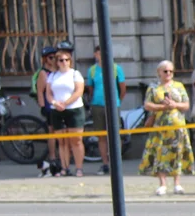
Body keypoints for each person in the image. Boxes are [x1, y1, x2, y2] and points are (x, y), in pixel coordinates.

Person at [139, 60, 193, 195]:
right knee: (160, 154)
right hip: (160, 127)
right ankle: (162, 184)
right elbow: (147, 105)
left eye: (170, 71)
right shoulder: (153, 88)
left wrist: (175, 105)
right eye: (165, 71)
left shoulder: (179, 86)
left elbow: (186, 105)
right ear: (159, 73)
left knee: (178, 153)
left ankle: (177, 184)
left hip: (178, 127)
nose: (168, 73)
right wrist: (163, 107)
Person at [85, 45, 127, 175]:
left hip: (113, 105)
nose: (101, 56)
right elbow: (90, 88)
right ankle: (105, 163)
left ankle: (117, 162)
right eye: (98, 54)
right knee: (101, 136)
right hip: (97, 105)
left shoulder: (116, 68)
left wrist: (117, 100)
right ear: (95, 55)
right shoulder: (92, 70)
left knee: (115, 134)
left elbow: (122, 87)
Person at [46, 49, 87, 178]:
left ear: (70, 61)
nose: (64, 62)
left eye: (66, 60)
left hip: (74, 109)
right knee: (62, 141)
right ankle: (65, 167)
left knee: (76, 140)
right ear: (57, 62)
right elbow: (48, 93)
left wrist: (66, 103)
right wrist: (54, 103)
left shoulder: (75, 74)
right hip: (57, 110)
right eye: (61, 60)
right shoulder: (53, 76)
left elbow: (79, 91)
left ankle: (79, 168)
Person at [33, 47, 59, 168]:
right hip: (49, 106)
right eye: (50, 57)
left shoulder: (59, 70)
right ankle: (52, 156)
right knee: (52, 132)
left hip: (60, 104)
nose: (53, 59)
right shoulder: (43, 73)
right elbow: (40, 91)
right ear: (45, 59)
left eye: (55, 56)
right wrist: (43, 106)